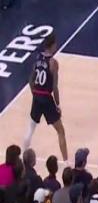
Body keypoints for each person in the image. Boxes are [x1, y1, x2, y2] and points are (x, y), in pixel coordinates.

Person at [23, 32, 69, 164]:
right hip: (47, 98)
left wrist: (35, 94)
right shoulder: (53, 63)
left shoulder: (37, 59)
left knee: (31, 127)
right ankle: (66, 163)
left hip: (37, 96)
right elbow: (54, 87)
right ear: (52, 45)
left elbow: (30, 80)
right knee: (60, 131)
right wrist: (58, 105)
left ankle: (22, 158)